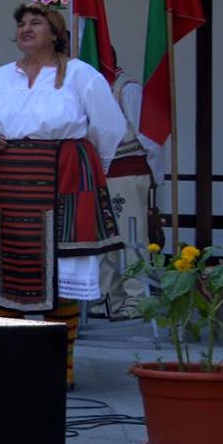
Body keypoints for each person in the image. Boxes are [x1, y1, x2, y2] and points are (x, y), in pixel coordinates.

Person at [0, 0, 126, 389]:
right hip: (8, 186)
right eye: (21, 24)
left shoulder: (81, 75)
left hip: (63, 182)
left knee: (62, 271)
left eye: (35, 23)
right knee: (5, 271)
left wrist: (86, 173)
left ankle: (60, 366)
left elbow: (108, 129)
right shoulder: (3, 76)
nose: (25, 29)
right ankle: (7, 362)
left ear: (55, 32)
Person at [99, 67, 164, 318]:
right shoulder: (89, 87)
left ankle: (137, 297)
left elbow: (149, 137)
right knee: (105, 240)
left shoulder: (127, 89)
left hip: (127, 172)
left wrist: (156, 176)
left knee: (130, 236)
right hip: (101, 175)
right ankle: (110, 296)